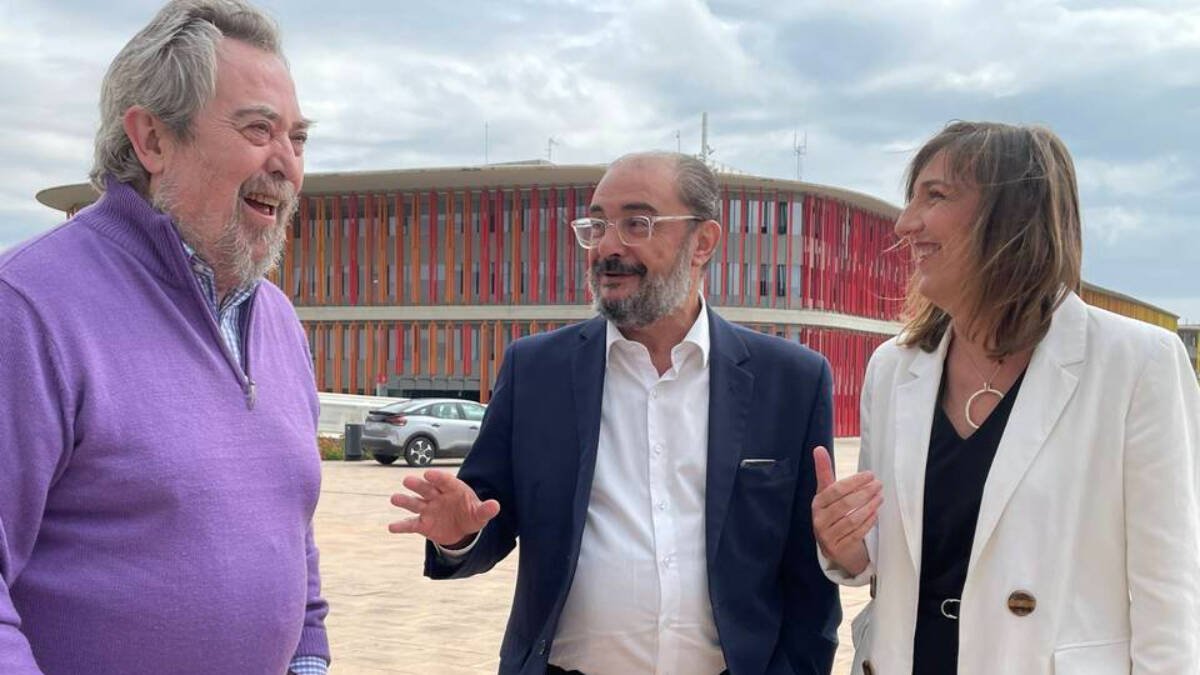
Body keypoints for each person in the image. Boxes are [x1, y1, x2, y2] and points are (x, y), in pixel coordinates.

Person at [388, 151, 841, 674]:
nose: (607, 245)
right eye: (597, 224)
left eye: (636, 223)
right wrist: (459, 535)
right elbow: (489, 515)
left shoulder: (791, 381)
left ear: (705, 242)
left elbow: (810, 582)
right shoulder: (537, 372)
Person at [0, 1, 330, 673]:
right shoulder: (28, 307)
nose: (286, 164)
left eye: (296, 139)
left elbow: (292, 533)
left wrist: (309, 658)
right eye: (258, 129)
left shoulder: (277, 320)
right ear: (152, 140)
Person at [812, 121, 1200, 675]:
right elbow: (884, 561)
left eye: (935, 195)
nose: (904, 224)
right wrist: (846, 546)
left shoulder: (1138, 364)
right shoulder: (893, 370)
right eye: (910, 198)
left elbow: (1172, 596)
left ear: (1012, 216)